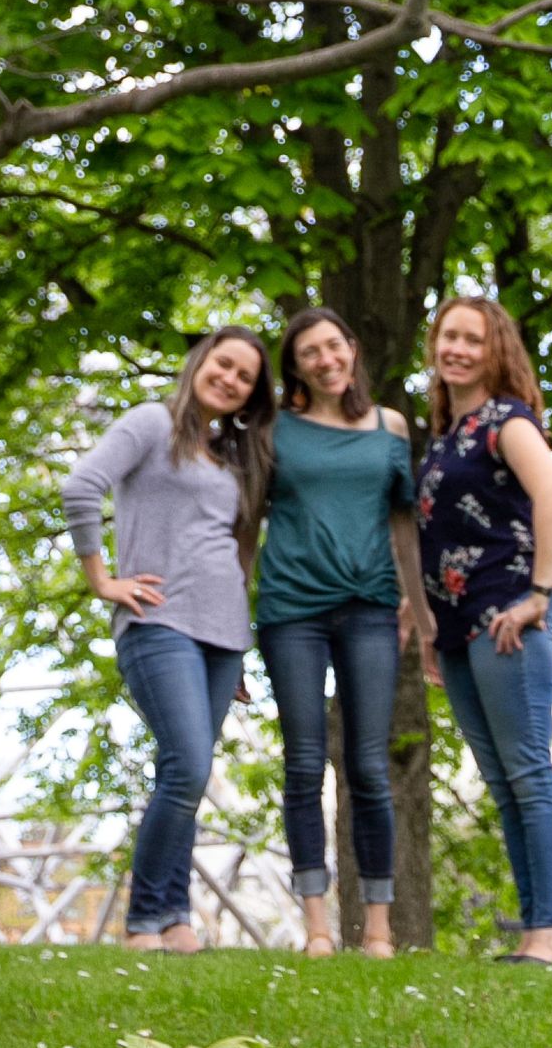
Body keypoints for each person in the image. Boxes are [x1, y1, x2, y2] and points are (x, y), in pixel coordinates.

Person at [60, 327, 275, 953]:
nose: (230, 379)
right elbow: (81, 485)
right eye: (224, 364)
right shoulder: (151, 423)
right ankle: (145, 921)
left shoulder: (229, 456)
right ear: (199, 361)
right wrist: (101, 578)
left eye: (245, 377)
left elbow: (233, 550)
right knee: (186, 761)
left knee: (189, 771)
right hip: (159, 623)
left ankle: (177, 917)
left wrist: (235, 641)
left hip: (223, 636)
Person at [256, 309, 435, 959]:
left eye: (334, 345)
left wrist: (420, 611)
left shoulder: (390, 427)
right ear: (296, 367)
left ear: (352, 349)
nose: (325, 359)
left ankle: (379, 932)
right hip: (291, 611)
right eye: (310, 353)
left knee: (368, 768)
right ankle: (318, 929)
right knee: (304, 764)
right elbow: (248, 523)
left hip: (369, 610)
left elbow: (405, 526)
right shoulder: (275, 430)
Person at [415, 295, 552, 965]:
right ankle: (535, 927)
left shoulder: (506, 420)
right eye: (448, 337)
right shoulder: (445, 433)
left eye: (471, 340)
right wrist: (429, 629)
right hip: (457, 629)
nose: (456, 349)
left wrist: (538, 594)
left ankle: (549, 936)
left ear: (494, 350)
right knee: (504, 780)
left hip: (509, 616)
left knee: (529, 772)